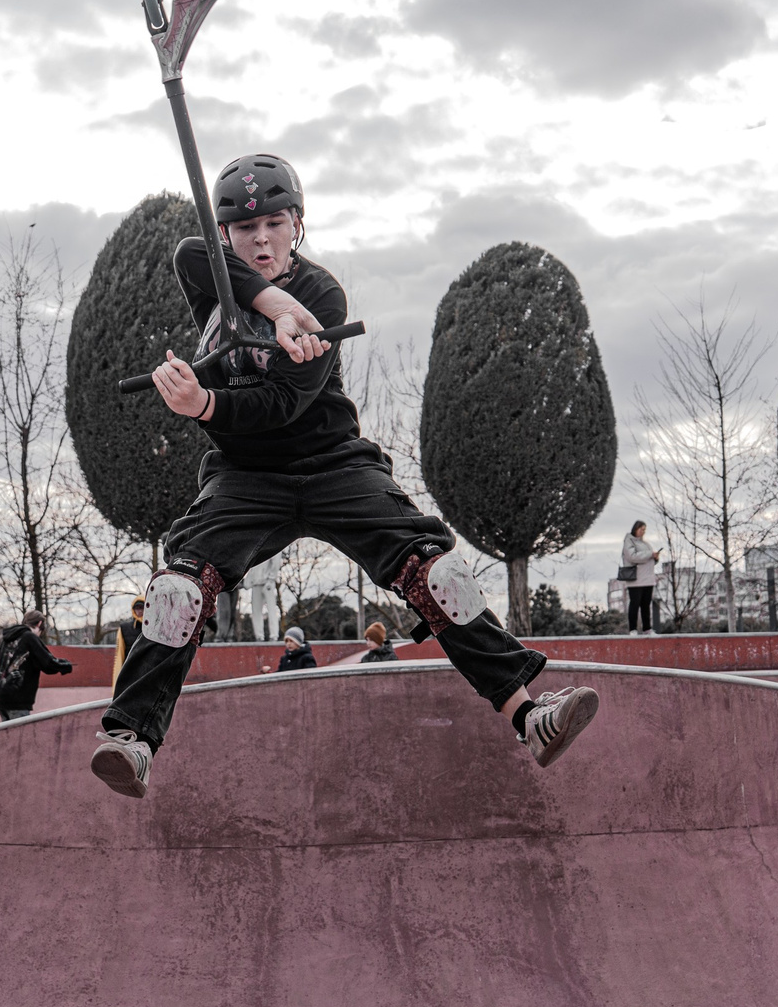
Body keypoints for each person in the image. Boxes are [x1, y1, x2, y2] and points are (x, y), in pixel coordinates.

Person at [87, 151, 599, 799]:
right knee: (178, 588)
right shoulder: (210, 274)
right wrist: (269, 318)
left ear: (298, 224)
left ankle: (530, 716)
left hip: (331, 463)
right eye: (246, 229)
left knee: (436, 570)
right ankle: (131, 737)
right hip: (244, 476)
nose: (262, 238)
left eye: (275, 223)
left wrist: (208, 401)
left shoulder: (324, 294)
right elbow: (188, 251)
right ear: (227, 235)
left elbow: (281, 406)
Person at [0, 610, 75, 720]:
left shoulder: (8, 639)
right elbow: (47, 662)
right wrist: (66, 666)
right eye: (41, 631)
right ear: (39, 624)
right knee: (21, 734)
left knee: (9, 735)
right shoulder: (29, 637)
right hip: (17, 699)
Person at [620, 522, 662, 633]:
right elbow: (632, 557)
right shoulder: (629, 541)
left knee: (646, 605)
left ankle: (647, 628)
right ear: (635, 528)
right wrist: (650, 555)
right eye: (641, 529)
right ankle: (633, 629)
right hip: (636, 579)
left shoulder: (646, 544)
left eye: (644, 529)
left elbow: (649, 560)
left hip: (648, 578)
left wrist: (655, 558)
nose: (643, 532)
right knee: (635, 603)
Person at [243, 556, 282, 641]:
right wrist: (248, 581)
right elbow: (252, 564)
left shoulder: (271, 543)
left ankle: (274, 635)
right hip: (256, 583)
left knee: (272, 610)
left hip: (268, 582)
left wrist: (271, 578)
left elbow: (276, 560)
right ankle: (259, 636)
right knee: (256, 611)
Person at [110, 595, 146, 681]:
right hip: (130, 670)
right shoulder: (124, 628)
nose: (139, 611)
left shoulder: (153, 628)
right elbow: (119, 653)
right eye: (136, 608)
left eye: (142, 607)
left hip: (147, 670)